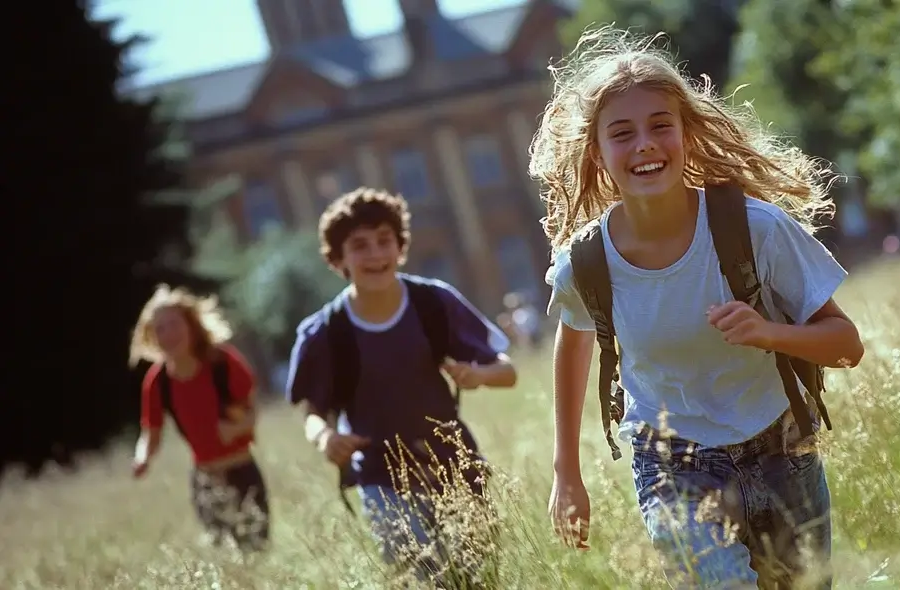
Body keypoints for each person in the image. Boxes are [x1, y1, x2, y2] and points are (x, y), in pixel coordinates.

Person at [531, 26, 865, 589]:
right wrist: (567, 472)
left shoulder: (753, 229)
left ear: (687, 132)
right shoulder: (585, 266)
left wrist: (770, 333)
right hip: (673, 462)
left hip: (780, 447)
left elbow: (847, 344)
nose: (644, 144)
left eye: (661, 125)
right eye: (622, 133)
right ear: (597, 151)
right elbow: (574, 344)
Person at [285, 186, 517, 586]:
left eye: (384, 241)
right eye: (359, 246)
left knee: (481, 581)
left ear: (401, 247)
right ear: (337, 259)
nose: (375, 254)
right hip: (380, 479)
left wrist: (478, 376)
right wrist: (324, 438)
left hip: (457, 469)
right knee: (425, 581)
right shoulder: (325, 332)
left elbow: (507, 371)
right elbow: (312, 413)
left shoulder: (434, 303)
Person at [129, 284, 269, 552]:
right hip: (204, 481)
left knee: (255, 552)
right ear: (151, 337)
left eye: (173, 324)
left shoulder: (223, 363)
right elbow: (151, 433)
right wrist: (142, 458)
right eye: (160, 328)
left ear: (191, 325)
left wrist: (236, 427)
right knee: (225, 561)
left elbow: (253, 413)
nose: (168, 334)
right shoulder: (157, 383)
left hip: (244, 473)